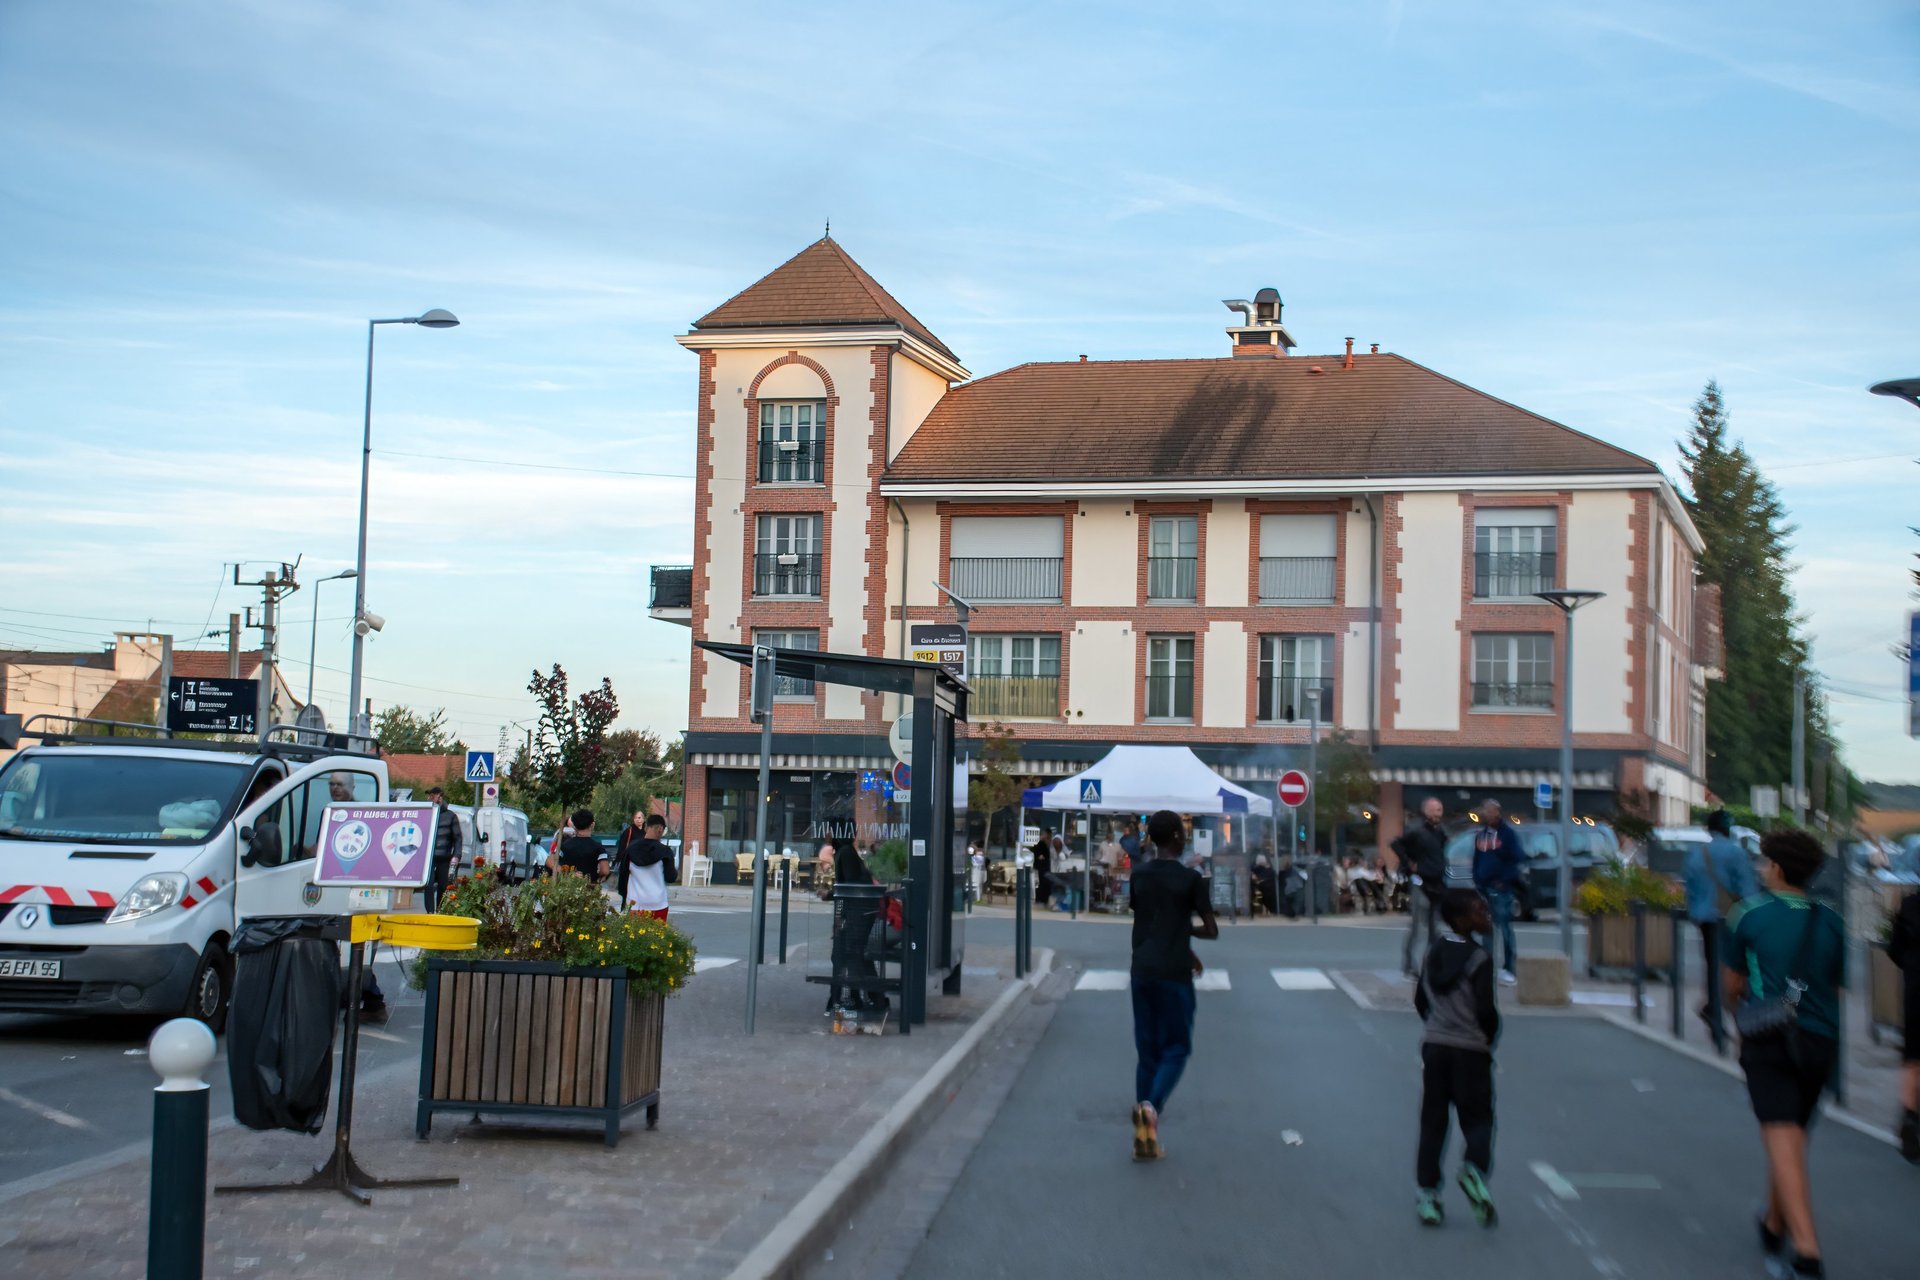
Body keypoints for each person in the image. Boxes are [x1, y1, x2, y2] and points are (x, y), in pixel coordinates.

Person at [1723, 830, 1847, 1278]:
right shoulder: (1831, 920)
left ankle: (1808, 1252)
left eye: (1762, 862)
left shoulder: (1748, 914)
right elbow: (1836, 988)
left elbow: (1732, 985)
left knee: (1781, 1134)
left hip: (1770, 1039)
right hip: (1820, 1041)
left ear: (1775, 868)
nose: (1759, 869)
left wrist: (1740, 1017)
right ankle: (1774, 1222)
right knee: (1793, 1138)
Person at [1128, 809, 1219, 1161]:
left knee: (1147, 1053)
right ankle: (1150, 1109)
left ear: (1150, 838)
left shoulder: (1139, 876)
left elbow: (1151, 921)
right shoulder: (1191, 880)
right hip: (1174, 974)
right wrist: (1187, 935)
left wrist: (1178, 935)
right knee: (1177, 1049)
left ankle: (1144, 1138)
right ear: (1179, 838)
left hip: (1142, 970)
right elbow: (1211, 929)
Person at [1413, 888, 1501, 1228]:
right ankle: (1473, 1170)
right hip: (1471, 1050)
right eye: (1480, 910)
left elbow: (1421, 1000)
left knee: (1433, 1122)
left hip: (1435, 1046)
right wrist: (1488, 1039)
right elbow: (1485, 1010)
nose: (1486, 914)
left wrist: (1437, 1026)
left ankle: (1428, 1197)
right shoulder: (1480, 958)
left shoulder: (1432, 953)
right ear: (1463, 919)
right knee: (1479, 1120)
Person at [1684, 808, 1760, 1046]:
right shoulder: (1737, 854)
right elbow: (1749, 891)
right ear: (1728, 828)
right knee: (1739, 968)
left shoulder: (1696, 854)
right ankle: (1736, 1019)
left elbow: (1690, 888)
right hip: (1731, 919)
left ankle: (1714, 1015)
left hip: (1705, 920)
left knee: (1712, 965)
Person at [1469, 800, 1525, 986]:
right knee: (1486, 929)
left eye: (1489, 811)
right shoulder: (1482, 834)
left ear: (1497, 813)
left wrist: (1504, 880)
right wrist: (1477, 878)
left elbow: (1517, 859)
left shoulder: (1508, 835)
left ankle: (1509, 968)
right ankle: (1487, 967)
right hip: (1483, 888)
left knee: (1505, 928)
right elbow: (1477, 858)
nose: (1486, 814)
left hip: (1501, 889)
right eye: (1485, 811)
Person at [1394, 798, 1450, 978]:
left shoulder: (1441, 831)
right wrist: (1409, 864)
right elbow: (1396, 844)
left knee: (1436, 928)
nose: (1437, 814)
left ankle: (1431, 965)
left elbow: (1441, 851)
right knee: (1418, 926)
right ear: (1426, 811)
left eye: (1440, 810)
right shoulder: (1416, 830)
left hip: (1437, 883)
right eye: (1434, 810)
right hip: (1420, 882)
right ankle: (1409, 965)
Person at [824, 841, 881, 1016]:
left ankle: (847, 1000)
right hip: (859, 914)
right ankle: (866, 997)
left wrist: (839, 919)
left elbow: (846, 890)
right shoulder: (848, 854)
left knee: (848, 955)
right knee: (854, 956)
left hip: (856, 914)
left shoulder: (845, 854)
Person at [1889, 889, 1920, 1163]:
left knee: (1912, 1059)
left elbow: (1894, 949)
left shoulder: (1910, 904)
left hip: (1916, 991)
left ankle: (1910, 1117)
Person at [618, 815, 676, 918]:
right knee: (656, 934)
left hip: (634, 904)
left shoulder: (630, 849)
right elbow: (670, 877)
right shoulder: (665, 851)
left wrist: (624, 897)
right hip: (658, 904)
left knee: (633, 934)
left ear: (646, 827)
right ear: (660, 829)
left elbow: (623, 876)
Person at [423, 786, 463, 912]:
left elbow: (457, 838)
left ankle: (440, 911)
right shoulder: (426, 814)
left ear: (440, 797)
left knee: (443, 886)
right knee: (428, 886)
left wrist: (456, 855)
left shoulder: (451, 816)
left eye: (432, 796)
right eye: (429, 796)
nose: (429, 798)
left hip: (445, 857)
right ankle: (430, 913)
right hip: (429, 858)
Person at [547, 810, 607, 881]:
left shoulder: (564, 844)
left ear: (574, 825)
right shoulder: (599, 847)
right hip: (589, 887)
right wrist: (597, 877)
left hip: (567, 886)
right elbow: (605, 871)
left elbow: (549, 861)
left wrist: (567, 873)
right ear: (592, 824)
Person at [1031, 829, 1053, 907]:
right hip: (1041, 866)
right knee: (1041, 883)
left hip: (1045, 865)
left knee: (1045, 883)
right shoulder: (1040, 843)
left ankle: (1044, 899)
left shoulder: (1048, 843)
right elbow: (1036, 851)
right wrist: (1039, 856)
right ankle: (1040, 899)